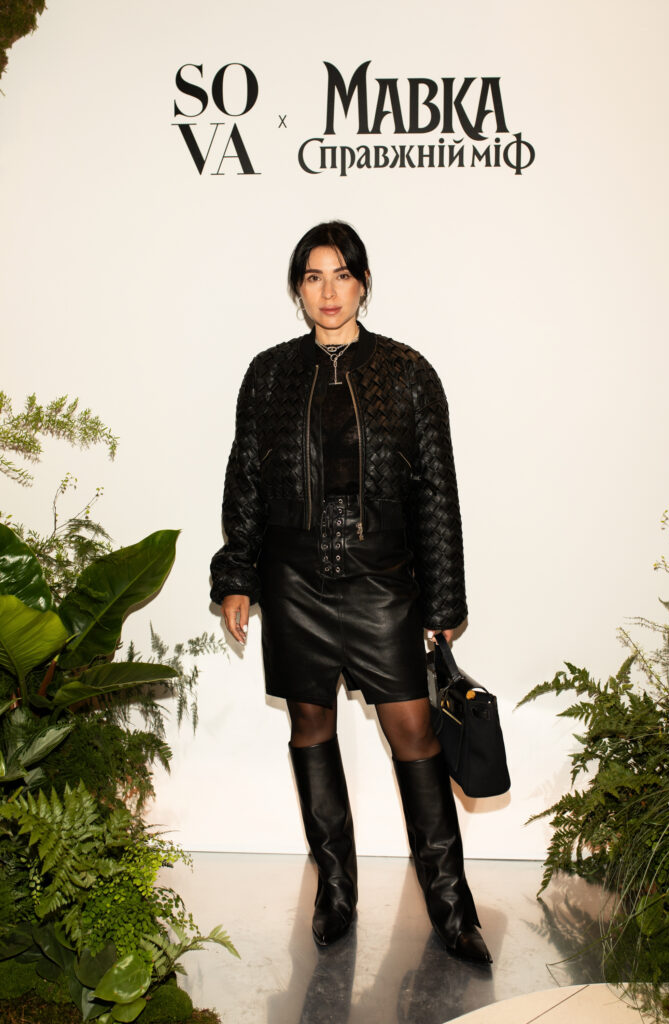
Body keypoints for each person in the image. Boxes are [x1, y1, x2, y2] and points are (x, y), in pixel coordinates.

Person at [210, 221, 492, 964]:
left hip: (382, 582)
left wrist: (443, 602)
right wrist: (236, 577)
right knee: (310, 729)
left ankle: (451, 909)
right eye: (313, 277)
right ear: (297, 290)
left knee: (415, 733)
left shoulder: (407, 372)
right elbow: (245, 482)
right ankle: (335, 892)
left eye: (341, 275)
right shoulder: (268, 374)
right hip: (293, 580)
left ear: (363, 284)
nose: (328, 292)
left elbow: (436, 493)